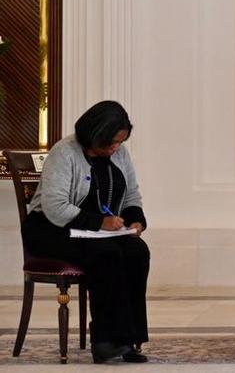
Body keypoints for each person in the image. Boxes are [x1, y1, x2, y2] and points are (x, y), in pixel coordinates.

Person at [22, 100, 150, 363]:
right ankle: (105, 341)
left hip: (97, 231)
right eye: (112, 142)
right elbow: (55, 207)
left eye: (120, 142)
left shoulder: (120, 155)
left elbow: (132, 195)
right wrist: (99, 223)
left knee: (137, 251)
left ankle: (128, 339)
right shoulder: (64, 152)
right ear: (96, 134)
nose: (116, 148)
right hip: (50, 228)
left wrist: (135, 220)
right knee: (105, 254)